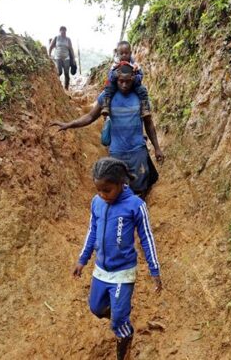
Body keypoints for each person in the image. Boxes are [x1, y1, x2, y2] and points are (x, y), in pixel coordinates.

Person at [73, 157, 163, 360]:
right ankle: (120, 317)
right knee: (95, 307)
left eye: (107, 190)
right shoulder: (97, 203)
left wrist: (154, 270)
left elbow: (147, 238)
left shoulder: (135, 205)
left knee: (119, 321)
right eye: (99, 190)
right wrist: (82, 259)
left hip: (123, 272)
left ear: (121, 183)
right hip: (101, 269)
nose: (103, 195)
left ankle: (124, 337)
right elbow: (92, 231)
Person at [51, 64, 164, 199]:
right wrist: (69, 124)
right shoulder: (107, 96)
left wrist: (157, 148)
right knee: (119, 191)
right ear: (116, 80)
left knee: (140, 189)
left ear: (133, 79)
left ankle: (138, 215)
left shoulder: (141, 96)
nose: (124, 85)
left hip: (138, 151)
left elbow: (149, 124)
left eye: (128, 81)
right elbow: (90, 116)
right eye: (121, 81)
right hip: (117, 153)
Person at [100, 41, 150, 118]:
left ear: (130, 53)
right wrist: (115, 75)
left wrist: (135, 78)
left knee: (142, 90)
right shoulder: (116, 64)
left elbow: (141, 75)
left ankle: (145, 109)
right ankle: (106, 106)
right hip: (118, 84)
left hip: (132, 84)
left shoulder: (134, 64)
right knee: (108, 88)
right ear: (117, 54)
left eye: (126, 53)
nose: (124, 55)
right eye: (121, 53)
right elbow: (110, 76)